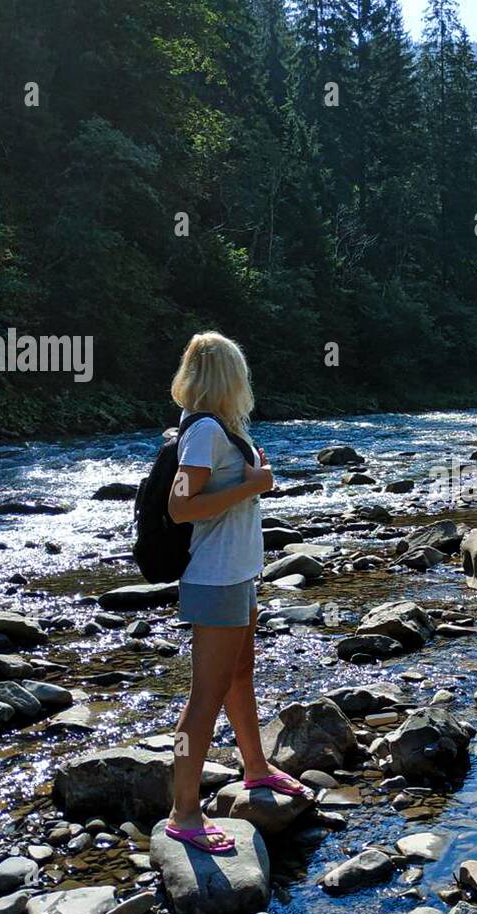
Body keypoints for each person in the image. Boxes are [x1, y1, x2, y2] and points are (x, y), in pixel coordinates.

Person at [164, 332, 310, 854]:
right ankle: (183, 813)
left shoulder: (220, 428)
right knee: (204, 696)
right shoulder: (204, 431)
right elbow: (181, 507)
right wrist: (255, 484)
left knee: (239, 674)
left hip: (236, 573)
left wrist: (249, 476)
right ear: (229, 377)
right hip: (216, 576)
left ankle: (254, 766)